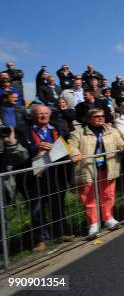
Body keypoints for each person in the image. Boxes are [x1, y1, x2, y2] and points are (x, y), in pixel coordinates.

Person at [68, 109, 124, 239]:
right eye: (96, 116)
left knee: (108, 194)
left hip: (107, 167)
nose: (101, 118)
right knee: (89, 198)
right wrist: (74, 153)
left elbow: (119, 141)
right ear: (89, 118)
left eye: (102, 116)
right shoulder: (78, 133)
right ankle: (93, 223)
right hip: (87, 169)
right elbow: (71, 145)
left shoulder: (111, 131)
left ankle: (109, 218)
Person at [21, 105, 74, 251]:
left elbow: (67, 145)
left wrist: (61, 149)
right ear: (33, 115)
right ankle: (40, 239)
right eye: (40, 114)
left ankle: (60, 232)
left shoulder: (56, 128)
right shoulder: (25, 130)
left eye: (46, 113)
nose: (43, 116)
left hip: (56, 173)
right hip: (35, 174)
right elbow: (23, 149)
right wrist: (37, 148)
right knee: (36, 208)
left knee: (57, 204)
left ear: (50, 115)